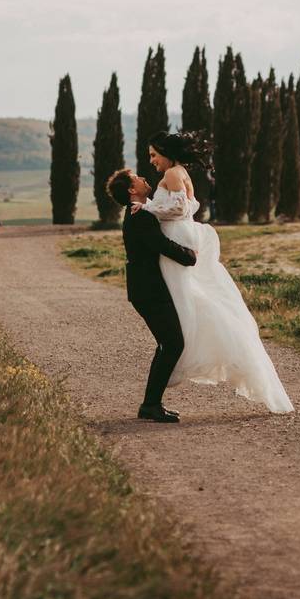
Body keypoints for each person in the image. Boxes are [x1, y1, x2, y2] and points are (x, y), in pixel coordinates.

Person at [125, 131, 294, 414]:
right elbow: (189, 205)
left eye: (154, 155)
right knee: (192, 308)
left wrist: (148, 206)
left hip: (178, 244)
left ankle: (157, 392)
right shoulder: (175, 174)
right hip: (180, 242)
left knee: (186, 310)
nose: (151, 161)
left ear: (166, 153)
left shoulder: (173, 174)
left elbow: (179, 206)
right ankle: (158, 390)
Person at [108, 169, 197, 422]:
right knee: (173, 343)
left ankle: (151, 403)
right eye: (137, 178)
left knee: (167, 344)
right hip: (148, 290)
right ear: (131, 190)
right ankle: (150, 405)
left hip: (147, 289)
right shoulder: (139, 216)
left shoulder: (142, 211)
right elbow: (160, 244)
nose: (144, 178)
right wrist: (189, 256)